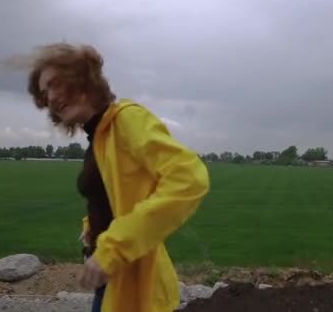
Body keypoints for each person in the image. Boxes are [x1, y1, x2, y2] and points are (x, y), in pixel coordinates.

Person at [24, 42, 210, 312]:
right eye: (44, 92)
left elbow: (189, 178)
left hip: (132, 279)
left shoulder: (126, 120)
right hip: (111, 278)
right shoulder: (100, 136)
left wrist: (113, 247)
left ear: (84, 77)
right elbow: (119, 190)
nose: (50, 98)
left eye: (55, 83)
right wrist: (94, 226)